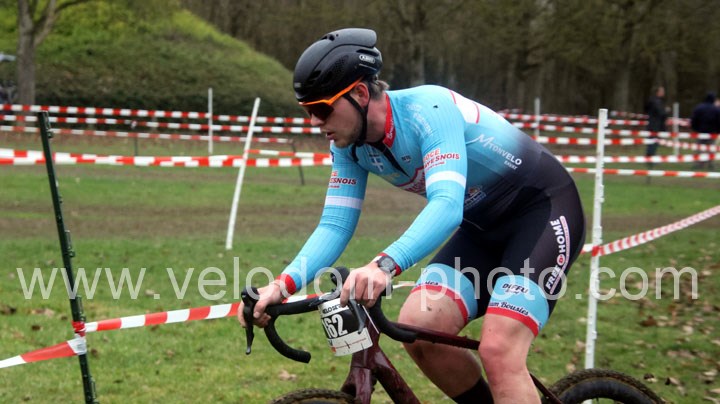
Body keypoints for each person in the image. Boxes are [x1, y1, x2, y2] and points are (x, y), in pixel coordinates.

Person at [238, 28, 586, 403]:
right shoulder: (349, 146)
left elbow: (447, 205)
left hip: (541, 212)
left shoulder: (428, 110)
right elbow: (335, 224)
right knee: (419, 329)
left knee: (499, 350)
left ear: (359, 94)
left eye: (321, 109)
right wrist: (281, 286)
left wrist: (384, 265)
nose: (314, 122)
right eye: (307, 111)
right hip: (481, 230)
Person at [690, 92, 720, 169]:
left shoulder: (699, 107)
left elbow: (694, 119)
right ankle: (711, 164)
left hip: (701, 131)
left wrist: (695, 129)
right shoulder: (716, 109)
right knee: (711, 148)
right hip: (712, 132)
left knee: (700, 148)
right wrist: (717, 131)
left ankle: (699, 164)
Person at [644, 86, 668, 166]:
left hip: (653, 124)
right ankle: (651, 160)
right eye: (662, 91)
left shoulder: (652, 100)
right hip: (655, 125)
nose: (663, 93)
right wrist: (666, 111)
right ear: (658, 92)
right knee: (653, 143)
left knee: (652, 142)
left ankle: (649, 158)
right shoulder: (656, 101)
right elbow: (661, 112)